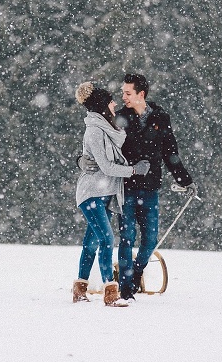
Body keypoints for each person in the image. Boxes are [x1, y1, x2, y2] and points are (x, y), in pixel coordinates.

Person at [79, 74, 198, 300]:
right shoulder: (119, 117)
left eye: (127, 93)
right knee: (127, 237)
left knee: (150, 239)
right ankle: (125, 289)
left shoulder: (161, 118)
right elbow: (97, 144)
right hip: (125, 188)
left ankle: (136, 274)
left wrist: (185, 180)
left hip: (151, 188)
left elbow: (170, 153)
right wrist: (80, 160)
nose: (122, 97)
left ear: (141, 94)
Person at [72, 81, 150, 307]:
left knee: (91, 243)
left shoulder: (109, 128)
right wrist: (134, 170)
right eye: (110, 101)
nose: (115, 103)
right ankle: (110, 292)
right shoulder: (95, 131)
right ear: (102, 105)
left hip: (105, 194)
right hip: (92, 194)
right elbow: (106, 166)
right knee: (106, 240)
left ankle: (79, 291)